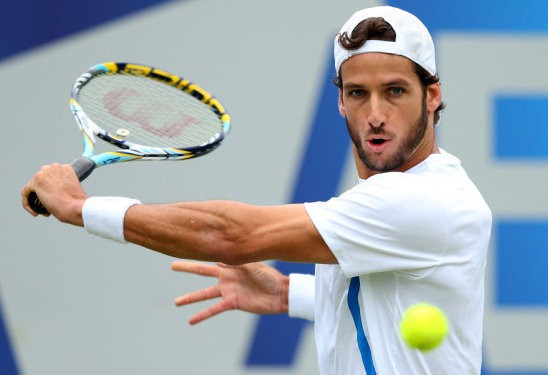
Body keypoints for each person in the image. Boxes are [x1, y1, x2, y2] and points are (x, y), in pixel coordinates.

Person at [21, 5, 492, 375]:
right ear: (340, 102)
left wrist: (80, 208)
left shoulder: (426, 202)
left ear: (432, 95)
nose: (374, 114)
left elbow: (230, 235)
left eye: (394, 91)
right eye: (357, 93)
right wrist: (290, 293)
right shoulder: (412, 198)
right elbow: (388, 297)